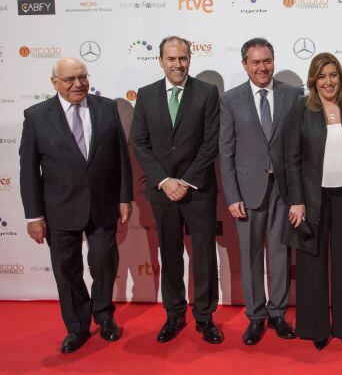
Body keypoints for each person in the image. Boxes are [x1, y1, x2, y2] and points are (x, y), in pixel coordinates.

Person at [19, 57, 133, 353]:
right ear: (54, 82)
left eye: (82, 77)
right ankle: (77, 327)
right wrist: (34, 215)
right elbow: (29, 171)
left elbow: (122, 156)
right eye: (69, 79)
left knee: (104, 262)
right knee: (66, 271)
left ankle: (104, 315)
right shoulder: (36, 116)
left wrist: (125, 196)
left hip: (103, 204)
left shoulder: (107, 108)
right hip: (59, 208)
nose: (78, 84)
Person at [131, 36, 222, 344]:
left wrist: (185, 181)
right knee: (170, 254)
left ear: (189, 59)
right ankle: (174, 314)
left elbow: (212, 142)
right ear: (160, 61)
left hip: (198, 190)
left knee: (204, 256)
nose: (177, 64)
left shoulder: (207, 93)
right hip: (161, 190)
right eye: (171, 59)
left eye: (182, 58)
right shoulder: (145, 95)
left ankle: (205, 317)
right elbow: (140, 143)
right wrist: (164, 180)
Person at [283, 52, 342, 350]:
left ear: (341, 77)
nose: (328, 81)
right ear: (313, 80)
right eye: (322, 76)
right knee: (313, 264)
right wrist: (296, 200)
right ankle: (315, 327)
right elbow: (292, 157)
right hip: (312, 199)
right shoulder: (301, 108)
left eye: (333, 75)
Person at [220, 37, 301, 345]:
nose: (262, 67)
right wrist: (232, 195)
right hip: (246, 190)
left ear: (273, 61)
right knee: (251, 254)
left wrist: (298, 196)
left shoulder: (293, 95)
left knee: (281, 252)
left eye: (267, 61)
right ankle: (256, 316)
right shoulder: (230, 99)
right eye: (255, 62)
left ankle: (278, 312)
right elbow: (225, 151)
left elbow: (299, 147)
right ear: (244, 65)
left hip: (284, 188)